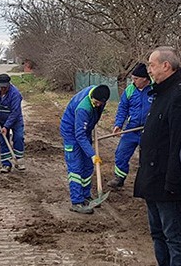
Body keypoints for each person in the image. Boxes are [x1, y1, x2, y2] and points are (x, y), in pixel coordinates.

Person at [133, 47, 181, 266]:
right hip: (152, 178)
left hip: (167, 181)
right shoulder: (161, 93)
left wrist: (173, 182)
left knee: (173, 236)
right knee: (157, 233)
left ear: (166, 66)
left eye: (152, 65)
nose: (149, 70)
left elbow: (178, 143)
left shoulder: (179, 95)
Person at [59, 84, 110, 214]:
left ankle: (86, 195)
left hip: (84, 129)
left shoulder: (99, 94)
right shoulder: (83, 108)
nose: (98, 105)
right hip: (71, 132)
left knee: (88, 166)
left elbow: (87, 126)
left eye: (100, 103)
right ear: (92, 98)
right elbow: (79, 135)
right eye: (96, 103)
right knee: (76, 168)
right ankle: (76, 202)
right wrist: (93, 155)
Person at [107, 62, 153, 189]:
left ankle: (147, 183)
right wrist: (118, 124)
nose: (133, 81)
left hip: (148, 130)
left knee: (148, 158)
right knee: (121, 153)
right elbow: (122, 109)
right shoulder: (130, 90)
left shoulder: (155, 90)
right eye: (132, 78)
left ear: (145, 79)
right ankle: (119, 178)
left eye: (136, 79)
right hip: (131, 129)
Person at [0, 73, 25, 173]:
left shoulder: (15, 94)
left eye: (5, 87)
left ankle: (19, 161)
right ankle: (6, 164)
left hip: (15, 120)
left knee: (19, 137)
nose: (3, 89)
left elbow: (15, 112)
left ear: (9, 84)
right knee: (3, 140)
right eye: (1, 87)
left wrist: (6, 126)